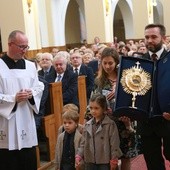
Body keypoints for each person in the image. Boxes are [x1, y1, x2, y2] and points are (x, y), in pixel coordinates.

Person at [0, 30, 44, 170]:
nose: (25, 50)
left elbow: (38, 87)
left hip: (26, 121)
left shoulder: (31, 66)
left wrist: (32, 94)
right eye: (21, 47)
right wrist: (14, 99)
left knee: (28, 162)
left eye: (26, 47)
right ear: (10, 44)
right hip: (6, 124)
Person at [93, 47, 141, 170]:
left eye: (110, 63)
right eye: (105, 63)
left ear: (117, 63)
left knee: (125, 156)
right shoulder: (99, 81)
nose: (108, 66)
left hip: (124, 123)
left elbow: (135, 99)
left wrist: (120, 91)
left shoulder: (125, 79)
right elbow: (93, 102)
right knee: (109, 158)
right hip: (106, 124)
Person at [137, 23, 170, 170]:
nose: (149, 40)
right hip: (146, 121)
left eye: (154, 37)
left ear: (163, 38)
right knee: (153, 162)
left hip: (168, 119)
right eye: (147, 37)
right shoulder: (137, 62)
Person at [76, 93, 122, 170]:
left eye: (96, 108)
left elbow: (114, 144)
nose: (93, 111)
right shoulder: (87, 125)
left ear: (103, 109)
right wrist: (79, 155)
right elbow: (83, 143)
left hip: (105, 161)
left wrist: (114, 159)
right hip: (90, 161)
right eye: (91, 108)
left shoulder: (110, 124)